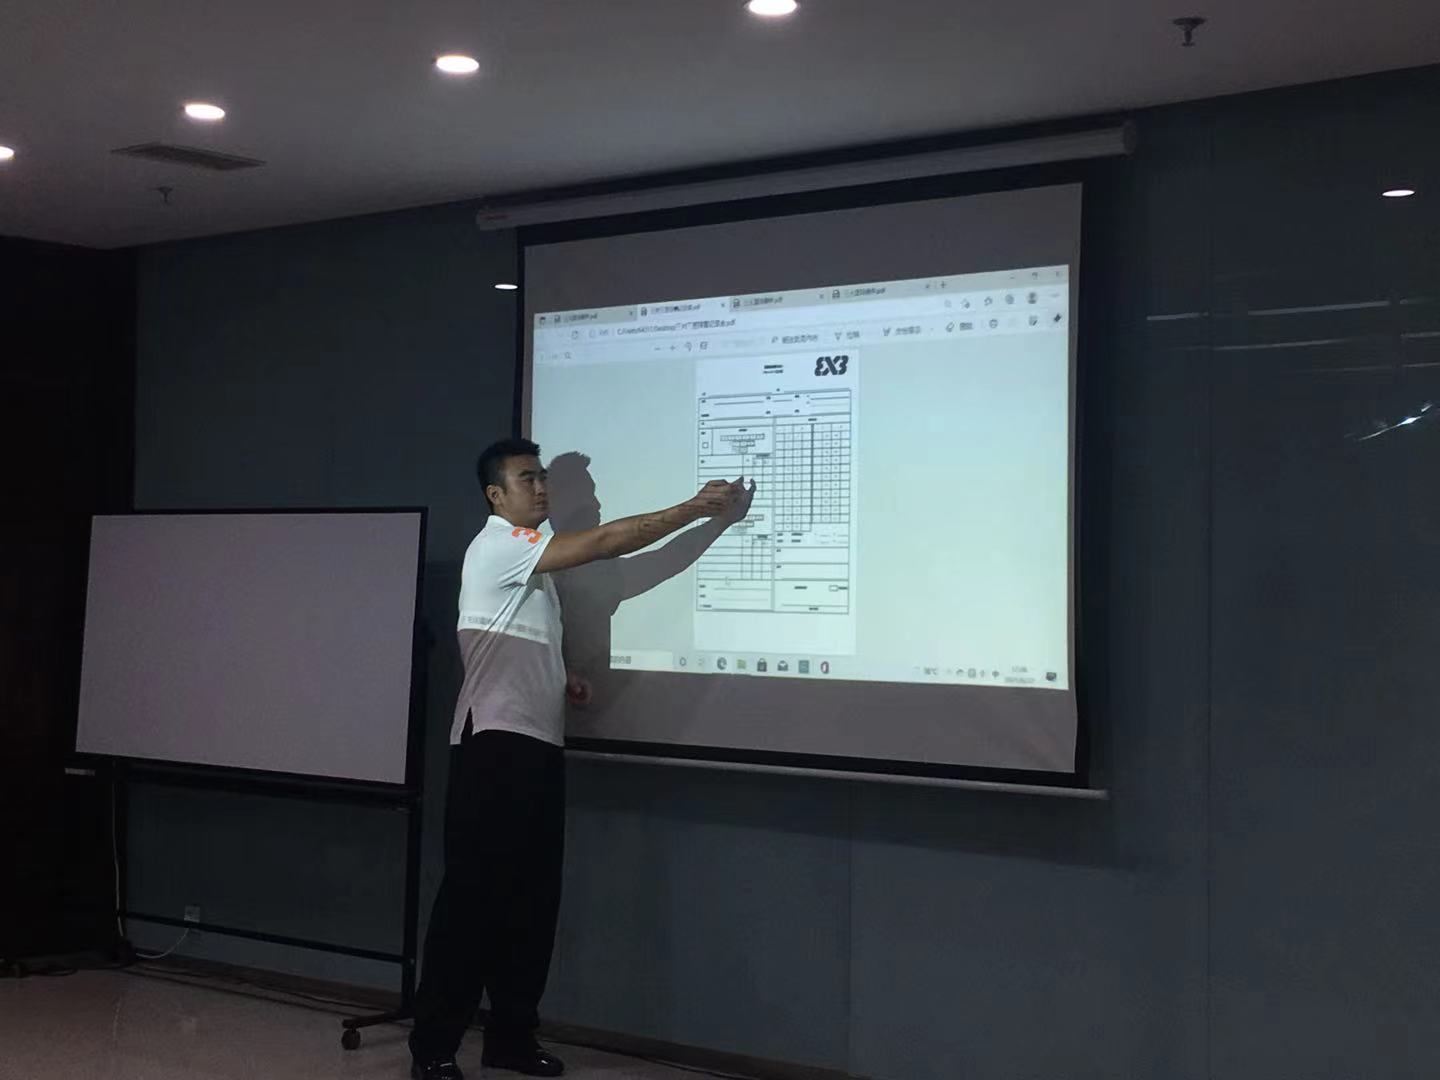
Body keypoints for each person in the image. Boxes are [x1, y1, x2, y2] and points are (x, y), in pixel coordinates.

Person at [408, 438, 754, 1080]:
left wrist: (561, 675)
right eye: (527, 478)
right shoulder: (498, 546)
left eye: (543, 477)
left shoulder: (536, 569)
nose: (542, 488)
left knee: (532, 905)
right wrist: (696, 507)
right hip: (493, 748)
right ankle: (433, 1049)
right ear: (495, 495)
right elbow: (608, 542)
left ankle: (511, 1039)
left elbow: (647, 571)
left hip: (536, 747)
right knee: (473, 905)